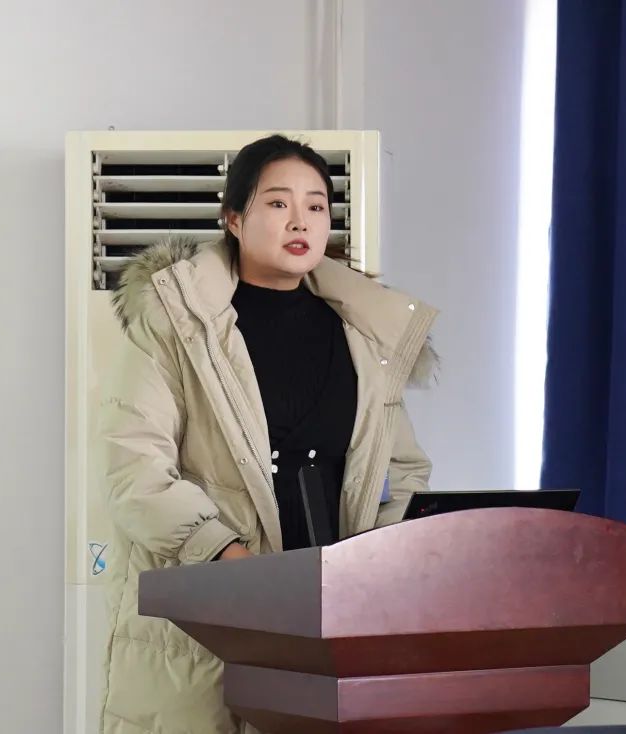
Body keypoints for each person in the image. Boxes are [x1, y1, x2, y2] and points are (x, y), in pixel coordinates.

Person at [97, 134, 439, 734]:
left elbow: (401, 471)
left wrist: (376, 564)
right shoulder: (175, 324)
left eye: (315, 205)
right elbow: (136, 470)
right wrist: (235, 563)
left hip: (330, 626)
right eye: (278, 203)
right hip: (206, 615)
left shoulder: (365, 335)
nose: (299, 220)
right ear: (233, 219)